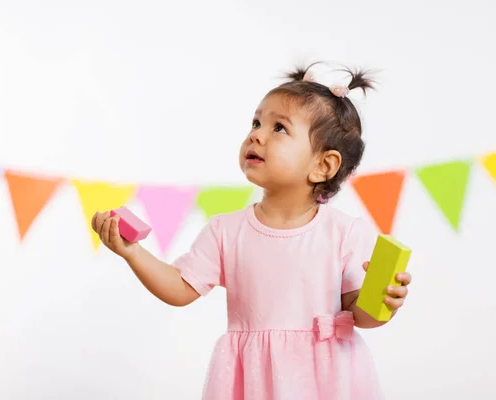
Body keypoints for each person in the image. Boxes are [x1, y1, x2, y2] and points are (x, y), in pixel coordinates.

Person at [91, 61, 413, 400]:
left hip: (325, 381)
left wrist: (383, 303)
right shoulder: (225, 231)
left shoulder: (344, 233)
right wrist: (133, 252)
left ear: (323, 165)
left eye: (279, 128)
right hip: (251, 380)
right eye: (256, 122)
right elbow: (180, 288)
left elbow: (358, 314)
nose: (256, 135)